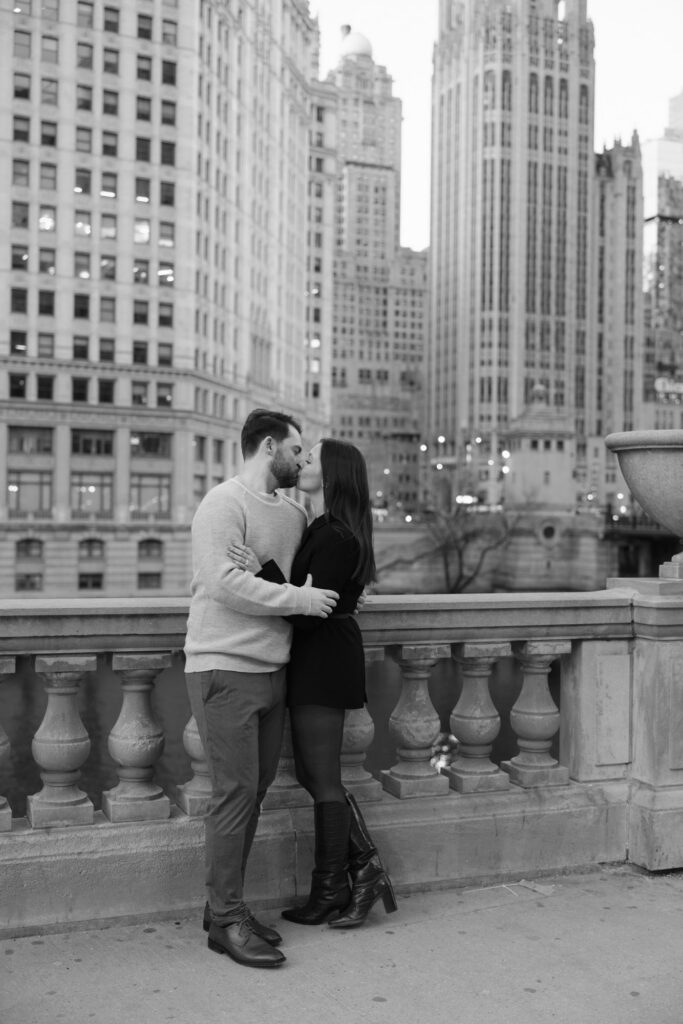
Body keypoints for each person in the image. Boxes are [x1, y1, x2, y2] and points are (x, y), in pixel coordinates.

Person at [184, 409, 339, 970]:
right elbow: (223, 583)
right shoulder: (222, 503)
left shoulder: (294, 515)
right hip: (223, 668)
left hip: (275, 671)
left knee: (252, 794)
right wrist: (298, 599)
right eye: (296, 450)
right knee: (234, 793)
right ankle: (226, 919)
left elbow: (292, 579)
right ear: (267, 446)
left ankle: (221, 908)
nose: (301, 459)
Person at [229, 438, 396, 930]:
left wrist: (259, 568)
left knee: (321, 777)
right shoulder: (323, 526)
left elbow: (307, 613)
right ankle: (358, 874)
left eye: (311, 458)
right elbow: (312, 597)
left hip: (323, 660)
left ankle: (335, 888)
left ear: (334, 474)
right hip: (316, 658)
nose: (302, 462)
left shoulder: (338, 535)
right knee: (312, 774)